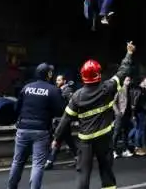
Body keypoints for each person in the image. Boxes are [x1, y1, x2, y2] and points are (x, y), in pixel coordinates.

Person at [53, 42, 136, 189]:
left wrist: (56, 139)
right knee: (106, 172)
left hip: (85, 142)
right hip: (104, 139)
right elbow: (123, 71)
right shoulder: (108, 88)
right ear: (98, 74)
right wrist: (129, 53)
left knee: (83, 174)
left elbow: (66, 119)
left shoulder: (77, 96)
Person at [7, 63, 65, 189]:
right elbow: (60, 111)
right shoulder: (53, 90)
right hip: (41, 130)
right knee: (37, 164)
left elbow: (17, 108)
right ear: (48, 75)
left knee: (17, 162)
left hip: (23, 128)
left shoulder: (26, 87)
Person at [45, 74, 79, 170]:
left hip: (63, 119)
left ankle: (50, 161)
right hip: (59, 120)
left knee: (58, 139)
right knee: (67, 140)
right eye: (56, 80)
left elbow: (71, 103)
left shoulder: (67, 90)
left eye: (59, 80)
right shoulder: (58, 90)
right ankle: (78, 158)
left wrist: (71, 117)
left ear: (64, 81)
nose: (57, 82)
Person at [113, 76, 133, 158]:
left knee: (125, 133)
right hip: (120, 114)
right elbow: (113, 102)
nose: (129, 81)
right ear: (123, 81)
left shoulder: (130, 90)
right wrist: (118, 112)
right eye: (127, 80)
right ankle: (113, 151)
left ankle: (125, 150)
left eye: (129, 80)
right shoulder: (120, 90)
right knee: (116, 133)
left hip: (127, 114)